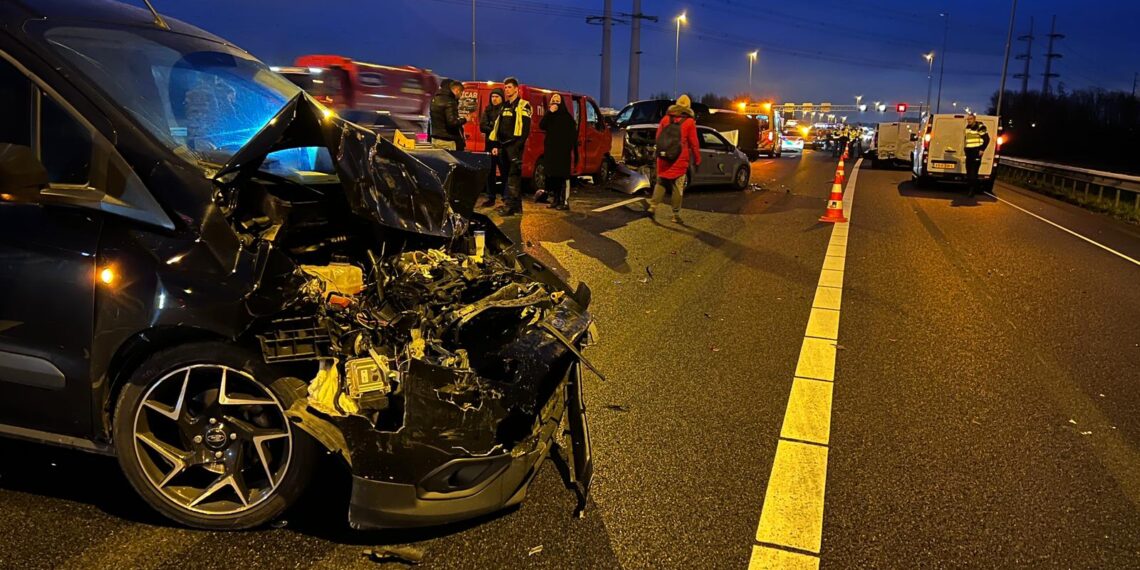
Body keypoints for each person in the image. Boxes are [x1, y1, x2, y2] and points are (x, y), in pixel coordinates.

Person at [647, 94, 700, 224]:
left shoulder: (666, 119)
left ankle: (653, 206)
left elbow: (658, 137)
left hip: (664, 158)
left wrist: (660, 154)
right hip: (679, 160)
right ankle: (675, 215)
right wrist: (697, 159)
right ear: (688, 106)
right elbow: (694, 143)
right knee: (677, 187)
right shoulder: (689, 122)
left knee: (661, 182)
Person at [489, 77, 532, 216]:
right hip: (502, 146)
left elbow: (525, 129)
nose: (506, 90)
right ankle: (517, 206)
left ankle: (509, 206)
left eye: (509, 87)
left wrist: (518, 146)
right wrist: (496, 144)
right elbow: (498, 127)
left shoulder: (523, 105)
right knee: (506, 176)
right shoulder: (504, 106)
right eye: (505, 87)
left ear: (516, 89)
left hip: (514, 146)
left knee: (513, 177)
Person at [537, 93, 578, 211]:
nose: (555, 102)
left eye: (557, 100)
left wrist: (567, 149)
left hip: (563, 153)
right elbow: (542, 125)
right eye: (553, 100)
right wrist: (549, 112)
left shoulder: (567, 118)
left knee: (562, 177)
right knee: (553, 177)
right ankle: (555, 200)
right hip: (551, 151)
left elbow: (572, 137)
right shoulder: (550, 116)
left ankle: (564, 201)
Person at [479, 88, 507, 207]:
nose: (494, 99)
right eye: (493, 96)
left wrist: (492, 127)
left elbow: (504, 128)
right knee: (490, 173)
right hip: (489, 145)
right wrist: (493, 128)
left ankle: (506, 198)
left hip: (501, 146)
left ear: (501, 98)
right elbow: (482, 126)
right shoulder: (488, 109)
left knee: (504, 172)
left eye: (497, 96)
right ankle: (491, 197)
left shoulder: (505, 110)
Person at [429, 79, 467, 151]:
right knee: (450, 161)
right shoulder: (450, 101)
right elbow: (452, 122)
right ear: (457, 90)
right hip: (447, 141)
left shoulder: (435, 99)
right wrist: (464, 119)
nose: (460, 96)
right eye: (461, 93)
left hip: (435, 139)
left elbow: (431, 120)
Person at [964, 112, 990, 197]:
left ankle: (972, 190)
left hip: (976, 152)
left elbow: (987, 139)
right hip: (969, 152)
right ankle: (974, 188)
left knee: (973, 172)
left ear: (974, 119)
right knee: (968, 172)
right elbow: (967, 139)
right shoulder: (967, 127)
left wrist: (982, 149)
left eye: (970, 119)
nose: (969, 120)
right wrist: (965, 149)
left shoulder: (980, 127)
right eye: (968, 119)